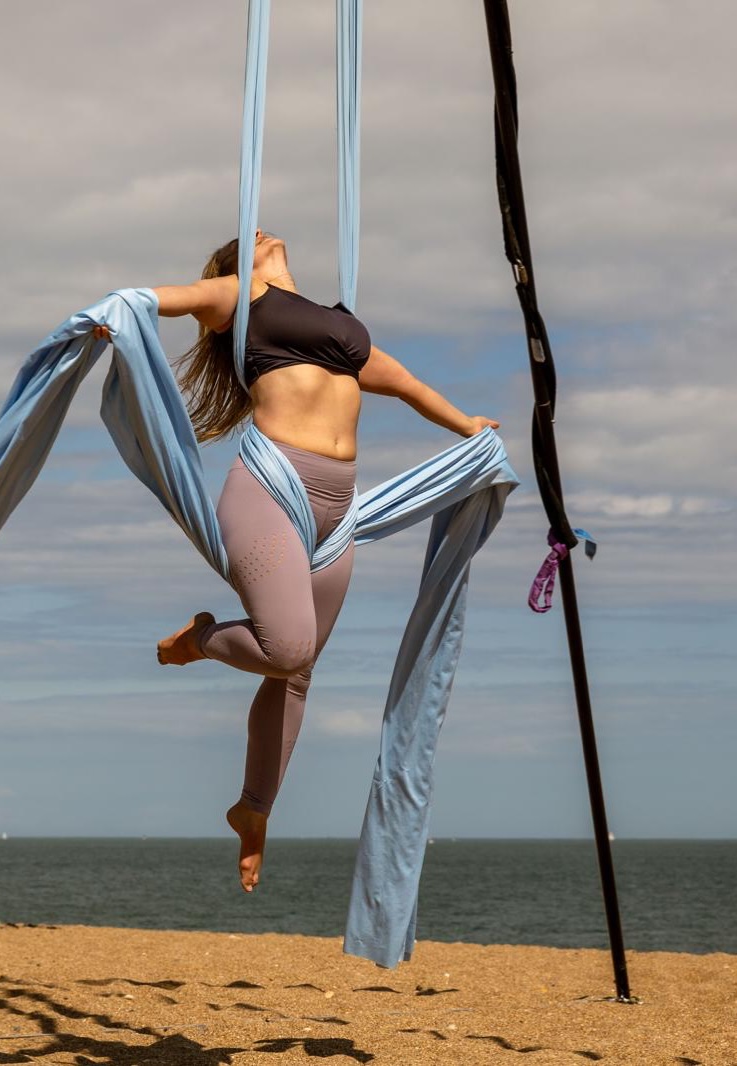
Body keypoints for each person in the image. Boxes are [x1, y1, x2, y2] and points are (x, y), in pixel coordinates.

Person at [95, 230, 499, 893]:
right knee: (286, 649)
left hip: (339, 506)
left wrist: (466, 426)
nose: (257, 228)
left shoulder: (337, 323)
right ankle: (201, 639)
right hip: (270, 490)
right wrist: (125, 308)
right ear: (236, 263)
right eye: (244, 233)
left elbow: (403, 381)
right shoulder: (241, 297)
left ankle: (252, 810)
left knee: (298, 671)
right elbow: (174, 298)